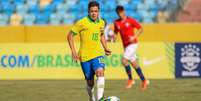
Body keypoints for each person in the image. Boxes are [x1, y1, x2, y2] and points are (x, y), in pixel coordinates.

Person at [67, 1, 111, 101]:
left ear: (99, 11)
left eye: (95, 11)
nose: (94, 13)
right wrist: (74, 52)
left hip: (98, 54)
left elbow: (101, 35)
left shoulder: (102, 22)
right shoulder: (82, 22)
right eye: (91, 11)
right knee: (90, 82)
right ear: (88, 11)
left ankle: (100, 99)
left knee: (100, 72)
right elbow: (69, 36)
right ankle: (92, 98)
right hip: (85, 57)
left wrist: (105, 47)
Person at [113, 5, 149, 90]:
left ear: (124, 11)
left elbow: (140, 28)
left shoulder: (130, 20)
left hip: (133, 44)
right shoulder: (116, 22)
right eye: (118, 13)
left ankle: (130, 79)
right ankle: (144, 80)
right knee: (134, 63)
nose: (120, 14)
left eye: (121, 12)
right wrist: (113, 38)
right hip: (125, 46)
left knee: (124, 60)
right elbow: (115, 33)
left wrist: (134, 37)